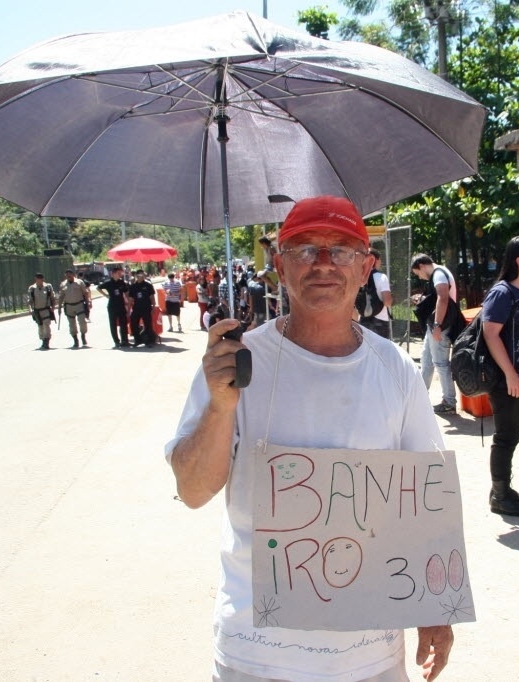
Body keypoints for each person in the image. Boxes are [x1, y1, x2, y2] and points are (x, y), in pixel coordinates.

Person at [166, 195, 454, 682]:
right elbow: (193, 492)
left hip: (370, 653)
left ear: (365, 269)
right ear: (279, 266)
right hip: (257, 654)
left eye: (341, 250)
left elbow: (424, 499)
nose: (323, 264)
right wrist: (221, 405)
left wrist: (436, 606)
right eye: (305, 250)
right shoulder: (233, 365)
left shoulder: (396, 372)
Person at [480, 236, 519, 516]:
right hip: (510, 381)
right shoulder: (502, 292)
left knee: (512, 437)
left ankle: (503, 489)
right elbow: (490, 333)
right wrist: (510, 374)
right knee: (505, 438)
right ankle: (500, 496)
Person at [411, 254, 459, 414]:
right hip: (435, 326)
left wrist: (438, 324)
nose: (420, 277)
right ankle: (419, 396)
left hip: (440, 326)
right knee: (427, 360)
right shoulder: (440, 272)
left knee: (440, 363)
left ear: (422, 265)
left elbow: (443, 297)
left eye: (418, 273)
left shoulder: (438, 274)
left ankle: (449, 402)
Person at [358, 247, 394, 339]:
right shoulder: (382, 277)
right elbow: (387, 302)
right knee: (381, 351)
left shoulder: (358, 278)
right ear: (375, 260)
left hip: (362, 321)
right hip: (380, 322)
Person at [98, 266, 131, 347]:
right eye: (118, 273)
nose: (119, 275)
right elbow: (98, 288)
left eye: (120, 273)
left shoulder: (121, 282)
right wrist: (106, 295)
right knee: (113, 324)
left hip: (121, 305)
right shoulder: (108, 282)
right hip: (112, 306)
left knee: (123, 323)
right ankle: (116, 341)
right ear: (113, 274)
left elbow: (126, 292)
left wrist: (128, 302)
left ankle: (125, 340)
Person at [58, 269, 92, 348]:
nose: (68, 277)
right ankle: (75, 340)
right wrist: (59, 307)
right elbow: (61, 296)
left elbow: (85, 293)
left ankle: (83, 335)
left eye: (69, 275)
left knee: (82, 322)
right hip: (69, 306)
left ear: (73, 275)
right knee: (72, 324)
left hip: (79, 305)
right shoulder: (63, 284)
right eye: (66, 275)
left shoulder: (79, 282)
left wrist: (88, 302)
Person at [27, 273, 56, 350]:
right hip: (37, 310)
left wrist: (53, 307)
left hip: (46, 309)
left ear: (43, 279)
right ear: (35, 279)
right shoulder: (32, 288)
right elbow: (30, 301)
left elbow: (53, 298)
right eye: (37, 279)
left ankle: (47, 341)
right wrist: (30, 309)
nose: (39, 280)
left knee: (46, 325)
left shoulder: (48, 287)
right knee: (40, 326)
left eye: (40, 279)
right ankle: (43, 340)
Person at [128, 269, 156, 347]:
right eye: (140, 275)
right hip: (136, 308)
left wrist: (153, 306)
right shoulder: (133, 286)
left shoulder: (148, 285)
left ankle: (148, 341)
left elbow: (152, 297)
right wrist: (128, 310)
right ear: (137, 276)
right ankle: (137, 340)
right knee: (133, 324)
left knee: (148, 325)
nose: (142, 276)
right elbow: (130, 299)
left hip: (146, 308)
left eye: (143, 275)